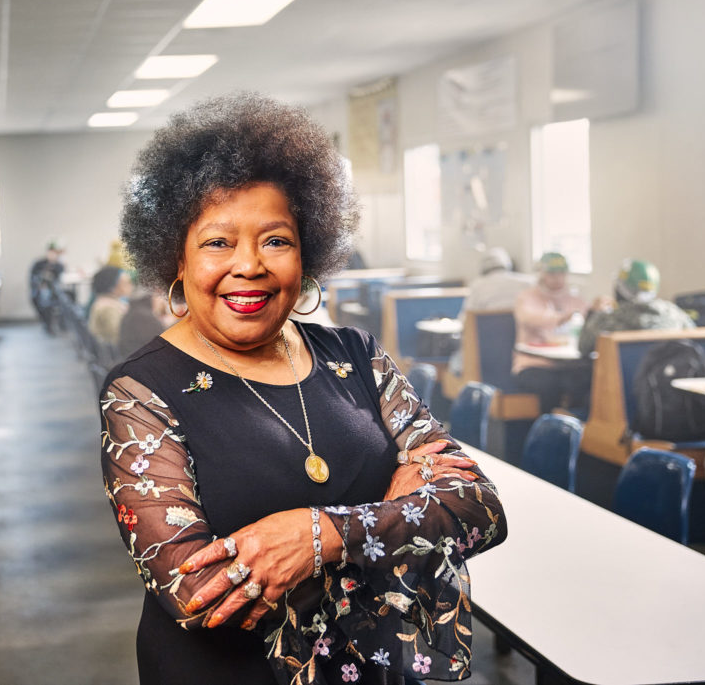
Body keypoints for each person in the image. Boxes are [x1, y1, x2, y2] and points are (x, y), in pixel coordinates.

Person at [100, 94, 506, 685]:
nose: (250, 265)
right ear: (176, 259)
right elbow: (200, 594)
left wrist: (318, 537)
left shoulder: (357, 355)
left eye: (276, 240)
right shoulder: (139, 392)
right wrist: (397, 515)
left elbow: (478, 507)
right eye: (217, 242)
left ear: (307, 251)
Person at [511, 252, 589, 413]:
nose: (557, 278)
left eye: (562, 273)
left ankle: (575, 422)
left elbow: (587, 321)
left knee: (587, 378)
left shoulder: (576, 300)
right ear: (542, 274)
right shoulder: (526, 298)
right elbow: (529, 318)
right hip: (533, 364)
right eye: (552, 274)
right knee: (549, 384)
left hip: (569, 364)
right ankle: (548, 425)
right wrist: (562, 318)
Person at [578, 259, 695, 357]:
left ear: (620, 289)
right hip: (669, 376)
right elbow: (695, 341)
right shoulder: (674, 314)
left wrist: (593, 313)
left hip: (622, 378)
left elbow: (583, 346)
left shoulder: (606, 321)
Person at [448, 247, 534, 375]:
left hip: (485, 355)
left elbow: (465, 321)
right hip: (523, 353)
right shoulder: (528, 282)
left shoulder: (477, 285)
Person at [88, 265, 132, 347]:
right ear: (113, 287)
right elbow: (118, 338)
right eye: (126, 283)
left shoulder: (104, 300)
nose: (131, 286)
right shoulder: (109, 309)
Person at [29, 240, 65, 333]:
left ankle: (61, 325)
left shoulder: (58, 265)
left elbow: (60, 275)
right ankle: (48, 324)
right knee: (44, 297)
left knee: (64, 298)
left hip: (54, 290)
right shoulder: (39, 264)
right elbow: (33, 277)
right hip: (40, 290)